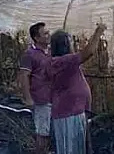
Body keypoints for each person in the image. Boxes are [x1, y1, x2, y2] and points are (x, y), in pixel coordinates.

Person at [49, 24, 106, 154]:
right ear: (64, 45)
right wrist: (98, 32)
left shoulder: (63, 62)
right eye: (69, 42)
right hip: (69, 116)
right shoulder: (62, 61)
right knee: (71, 149)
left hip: (73, 113)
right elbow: (89, 52)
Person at [18, 22, 52, 154]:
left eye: (48, 32)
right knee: (42, 134)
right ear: (37, 38)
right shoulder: (29, 54)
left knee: (50, 132)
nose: (49, 36)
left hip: (53, 97)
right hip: (41, 99)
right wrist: (28, 98)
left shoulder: (50, 52)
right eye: (45, 33)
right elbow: (24, 76)